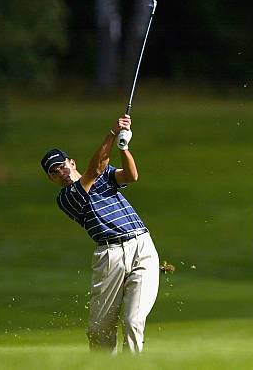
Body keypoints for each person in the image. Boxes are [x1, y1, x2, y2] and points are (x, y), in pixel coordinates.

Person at [40, 115, 159, 354]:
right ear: (51, 179)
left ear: (72, 162)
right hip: (109, 255)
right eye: (54, 172)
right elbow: (94, 169)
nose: (61, 172)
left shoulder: (105, 176)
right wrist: (112, 134)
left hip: (142, 246)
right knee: (99, 330)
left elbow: (130, 176)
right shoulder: (66, 198)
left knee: (133, 321)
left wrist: (124, 147)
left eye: (62, 165)